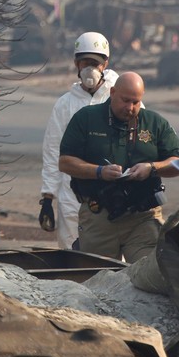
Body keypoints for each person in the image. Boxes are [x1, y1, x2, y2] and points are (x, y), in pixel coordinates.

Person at [58, 72, 179, 262]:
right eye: (125, 100)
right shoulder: (86, 118)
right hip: (99, 216)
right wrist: (99, 172)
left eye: (136, 102)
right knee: (96, 278)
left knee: (151, 274)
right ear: (112, 92)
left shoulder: (154, 122)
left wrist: (152, 168)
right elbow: (65, 162)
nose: (130, 107)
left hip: (142, 217)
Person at [39, 31, 118, 250]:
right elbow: (53, 150)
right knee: (72, 251)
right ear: (76, 63)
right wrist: (47, 196)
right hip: (72, 193)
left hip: (113, 190)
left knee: (111, 256)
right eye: (85, 62)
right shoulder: (65, 105)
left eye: (95, 62)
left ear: (106, 63)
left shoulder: (121, 97)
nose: (90, 69)